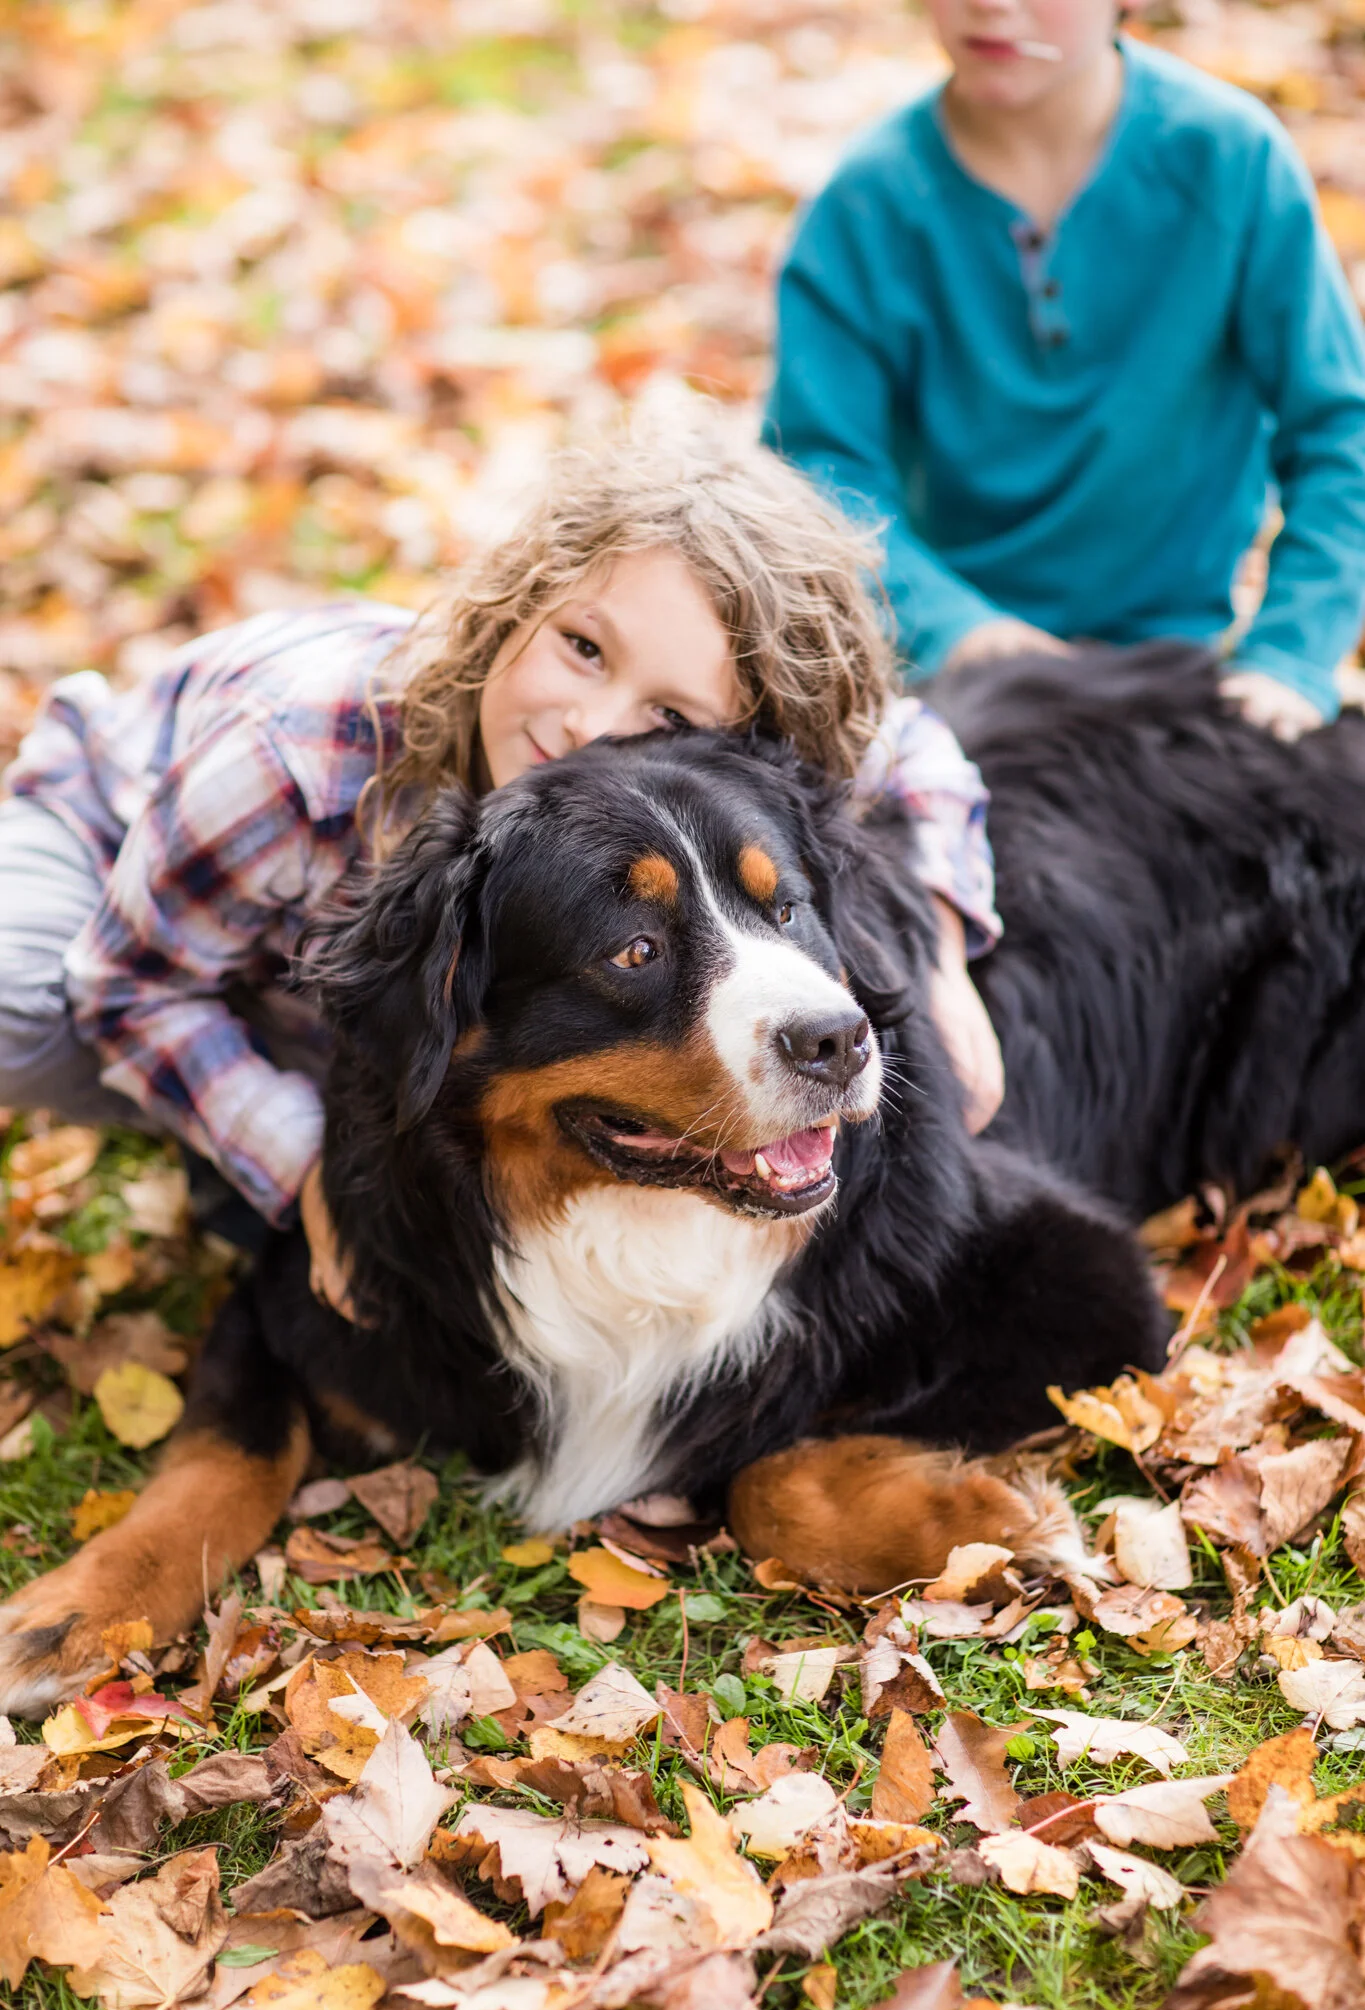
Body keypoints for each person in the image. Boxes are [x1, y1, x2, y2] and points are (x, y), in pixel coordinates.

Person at [0, 432, 1005, 1316]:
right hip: (120, 853)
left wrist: (949, 960)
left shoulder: (697, 773)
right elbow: (130, 983)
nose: (589, 724)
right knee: (21, 1002)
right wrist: (310, 1165)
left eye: (669, 717)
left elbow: (911, 747)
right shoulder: (298, 755)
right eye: (580, 646)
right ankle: (250, 1097)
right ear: (520, 604)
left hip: (356, 958)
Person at [763, 0, 1365, 740]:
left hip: (1178, 671)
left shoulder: (1228, 159)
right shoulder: (867, 200)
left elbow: (1340, 427)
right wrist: (954, 629)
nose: (990, 6)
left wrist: (1289, 656)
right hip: (948, 684)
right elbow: (818, 470)